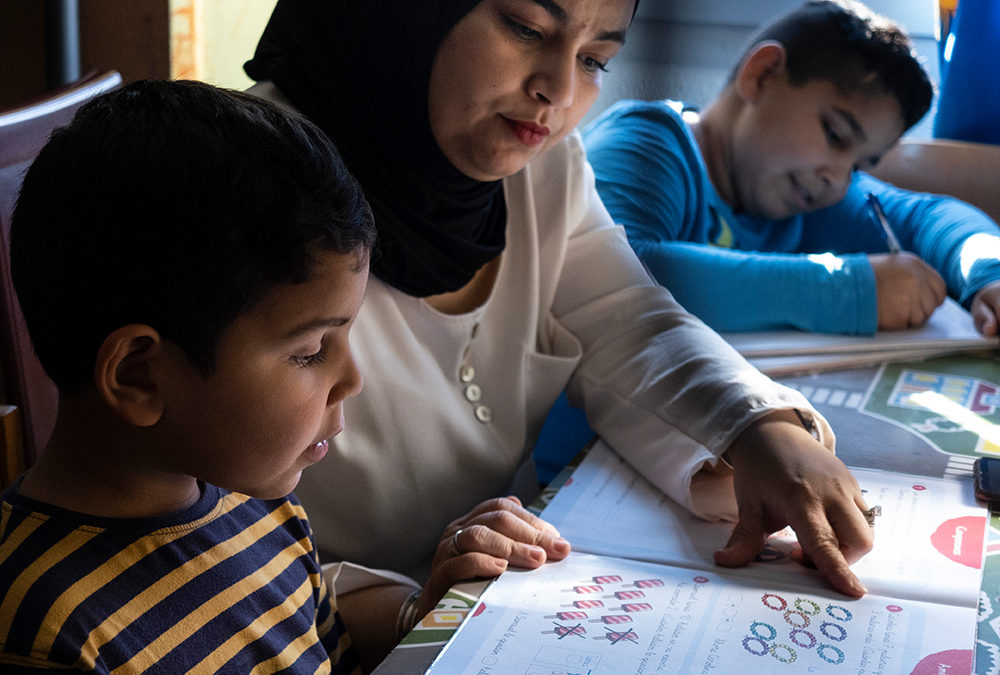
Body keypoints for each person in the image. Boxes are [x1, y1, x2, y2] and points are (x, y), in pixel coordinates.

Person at [243, 0, 875, 616]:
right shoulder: (244, 190)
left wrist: (760, 428)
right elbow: (208, 546)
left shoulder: (537, 165)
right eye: (526, 28)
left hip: (509, 588)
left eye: (595, 59)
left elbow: (629, 322)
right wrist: (403, 613)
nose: (561, 90)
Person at [0, 80, 527, 673]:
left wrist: (426, 617)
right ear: (139, 376)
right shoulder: (46, 634)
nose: (352, 379)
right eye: (310, 351)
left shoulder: (260, 513)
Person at [582, 0, 1000, 338]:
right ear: (762, 75)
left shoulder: (808, 199)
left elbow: (929, 217)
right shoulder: (644, 144)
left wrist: (988, 274)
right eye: (835, 135)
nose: (838, 179)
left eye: (859, 165)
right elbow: (614, 273)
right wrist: (846, 291)